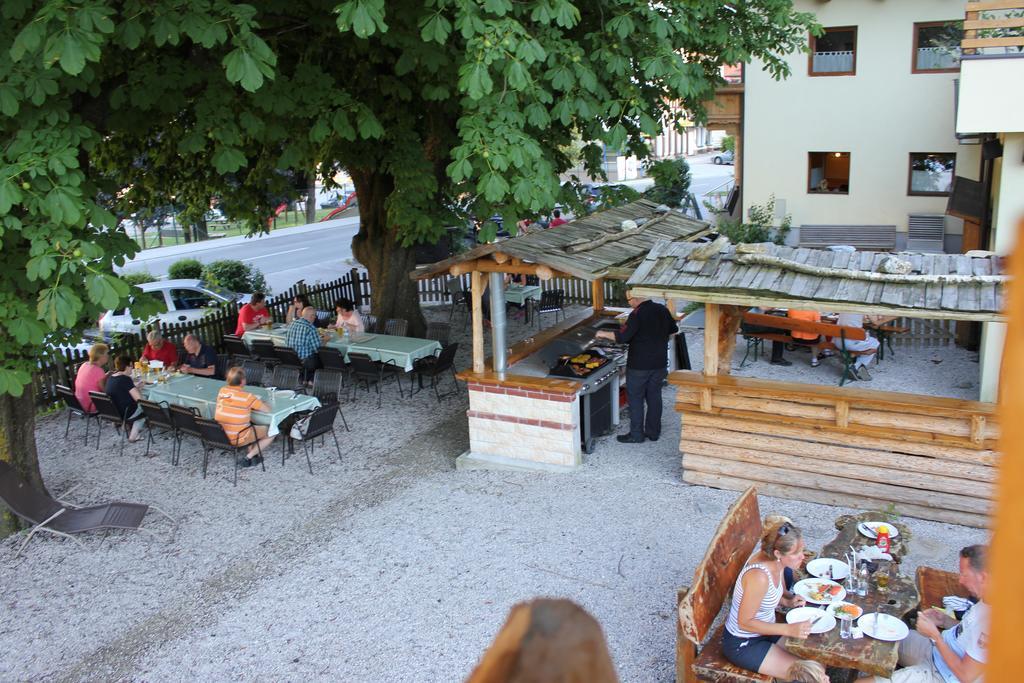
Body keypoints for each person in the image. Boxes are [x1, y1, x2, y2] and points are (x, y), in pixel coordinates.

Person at [721, 518, 828, 683]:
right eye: (795, 553)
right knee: (812, 676)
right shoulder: (759, 576)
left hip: (766, 631)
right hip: (744, 642)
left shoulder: (776, 563)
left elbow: (769, 595)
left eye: (802, 550)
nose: (802, 557)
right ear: (778, 554)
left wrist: (787, 602)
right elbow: (744, 622)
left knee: (819, 660)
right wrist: (788, 629)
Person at [864, 545, 988, 683]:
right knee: (880, 636)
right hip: (935, 650)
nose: (960, 580)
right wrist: (944, 621)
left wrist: (935, 636)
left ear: (983, 577)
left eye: (964, 575)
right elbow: (968, 632)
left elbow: (966, 676)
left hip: (942, 675)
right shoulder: (988, 598)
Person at [595, 293, 677, 443]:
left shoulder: (636, 314)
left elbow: (622, 337)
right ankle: (653, 433)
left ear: (637, 298)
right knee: (654, 397)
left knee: (636, 399)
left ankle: (636, 435)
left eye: (629, 300)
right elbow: (673, 330)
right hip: (659, 363)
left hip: (639, 365)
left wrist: (602, 333)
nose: (630, 303)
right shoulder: (662, 309)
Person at [214, 366, 274, 466]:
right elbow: (267, 410)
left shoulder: (222, 391)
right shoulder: (247, 397)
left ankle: (254, 454)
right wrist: (262, 402)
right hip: (238, 438)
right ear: (242, 381)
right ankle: (248, 457)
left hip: (222, 435)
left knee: (246, 423)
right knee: (272, 431)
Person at [105, 354, 145, 442]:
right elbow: (139, 399)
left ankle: (124, 425)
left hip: (114, 412)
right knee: (147, 407)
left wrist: (135, 387)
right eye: (131, 366)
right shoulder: (125, 379)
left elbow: (121, 391)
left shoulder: (111, 377)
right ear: (127, 367)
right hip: (126, 412)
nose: (132, 368)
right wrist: (140, 390)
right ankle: (134, 436)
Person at [835, 311, 881, 381]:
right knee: (875, 343)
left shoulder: (844, 307)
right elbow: (875, 322)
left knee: (868, 341)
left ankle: (854, 358)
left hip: (838, 342)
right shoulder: (863, 307)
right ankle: (857, 366)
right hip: (850, 343)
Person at [285, 306, 322, 378]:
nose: (315, 318)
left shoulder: (292, 324)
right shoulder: (311, 328)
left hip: (291, 358)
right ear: (312, 316)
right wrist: (326, 340)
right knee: (322, 356)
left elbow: (286, 341)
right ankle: (311, 379)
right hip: (305, 361)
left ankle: (305, 377)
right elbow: (318, 349)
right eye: (315, 316)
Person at [75, 343, 109, 414]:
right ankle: (118, 419)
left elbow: (92, 380)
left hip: (78, 403)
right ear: (100, 356)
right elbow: (105, 391)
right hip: (91, 405)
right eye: (106, 354)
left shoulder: (84, 365)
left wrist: (106, 375)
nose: (108, 356)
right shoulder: (98, 370)